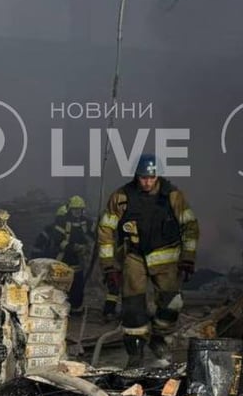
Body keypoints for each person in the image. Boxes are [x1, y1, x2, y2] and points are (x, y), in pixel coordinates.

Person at [97, 153, 199, 367]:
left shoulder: (172, 196)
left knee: (172, 304)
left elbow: (189, 225)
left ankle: (158, 337)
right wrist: (109, 267)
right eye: (143, 177)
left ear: (157, 176)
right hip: (134, 257)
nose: (147, 182)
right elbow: (105, 230)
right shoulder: (121, 197)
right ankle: (135, 353)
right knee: (133, 306)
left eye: (152, 177)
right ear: (137, 176)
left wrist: (188, 258)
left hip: (167, 259)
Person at [57, 195, 95, 313]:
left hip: (79, 259)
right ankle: (60, 307)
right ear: (70, 209)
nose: (77, 212)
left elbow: (93, 236)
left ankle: (76, 308)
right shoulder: (62, 222)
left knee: (78, 284)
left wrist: (89, 245)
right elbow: (58, 240)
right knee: (62, 283)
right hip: (64, 258)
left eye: (79, 209)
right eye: (75, 209)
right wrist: (74, 247)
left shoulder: (86, 222)